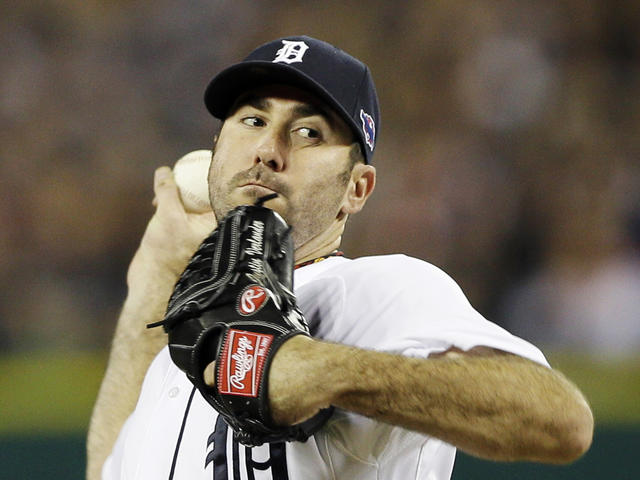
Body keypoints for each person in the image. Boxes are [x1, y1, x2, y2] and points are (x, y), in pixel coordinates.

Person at [87, 36, 593, 480]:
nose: (267, 148)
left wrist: (320, 371)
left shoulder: (380, 288)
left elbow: (559, 420)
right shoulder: (190, 340)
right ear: (218, 147)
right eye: (252, 119)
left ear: (357, 187)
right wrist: (153, 275)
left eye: (308, 132)